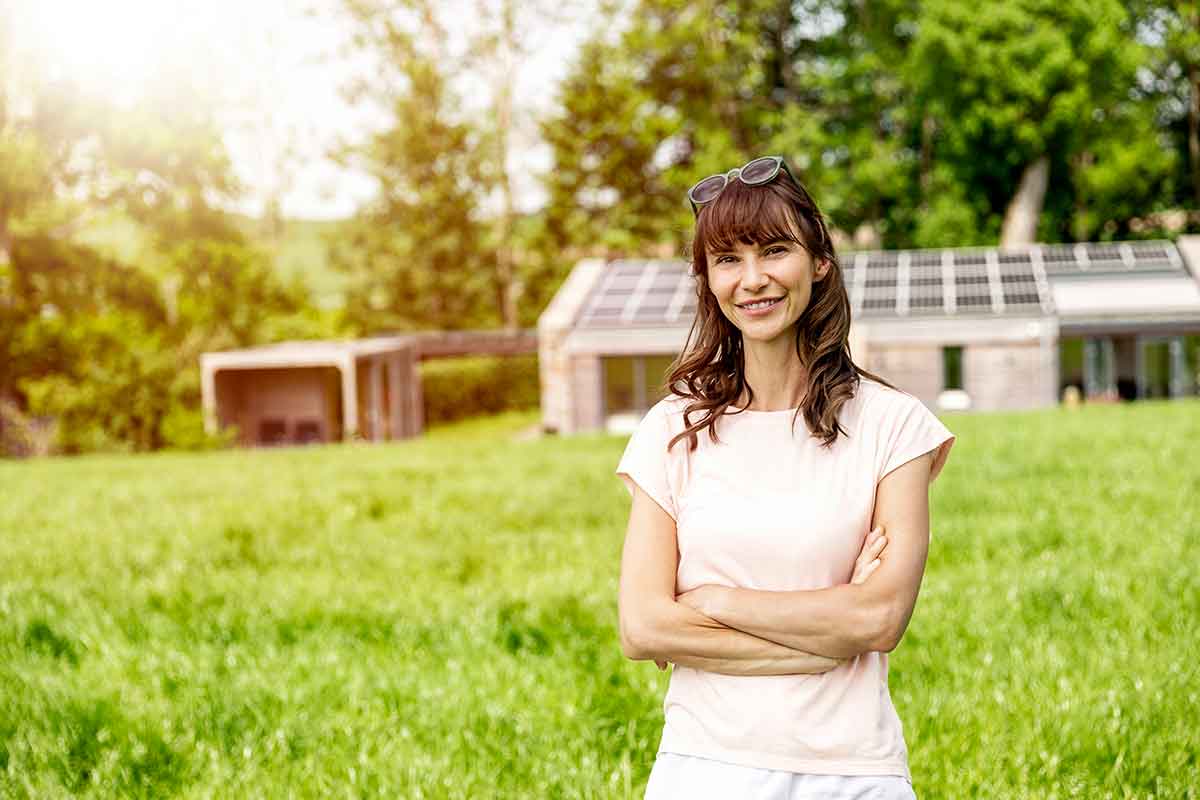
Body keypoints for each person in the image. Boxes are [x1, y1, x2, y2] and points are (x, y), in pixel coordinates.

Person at [614, 156, 956, 799]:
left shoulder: (894, 427)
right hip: (703, 768)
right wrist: (826, 644)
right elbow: (643, 627)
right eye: (727, 259)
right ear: (707, 279)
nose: (753, 280)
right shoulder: (670, 431)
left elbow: (880, 618)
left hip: (854, 774)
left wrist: (715, 604)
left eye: (774, 250)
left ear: (819, 261)